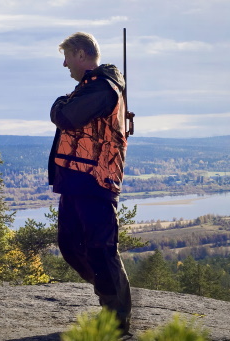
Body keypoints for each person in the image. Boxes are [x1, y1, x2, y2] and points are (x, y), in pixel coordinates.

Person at [48, 32, 132, 334]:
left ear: (81, 55)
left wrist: (58, 103)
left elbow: (67, 117)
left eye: (67, 56)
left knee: (100, 248)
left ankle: (115, 316)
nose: (64, 63)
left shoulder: (102, 88)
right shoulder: (90, 88)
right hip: (76, 179)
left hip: (95, 179)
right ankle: (113, 302)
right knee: (71, 246)